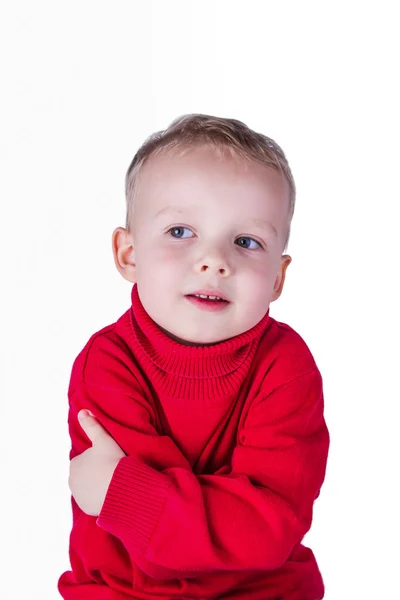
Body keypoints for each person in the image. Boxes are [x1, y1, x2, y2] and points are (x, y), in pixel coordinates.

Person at [58, 114, 330, 600]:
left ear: (277, 279)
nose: (213, 260)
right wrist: (222, 522)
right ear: (128, 254)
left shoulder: (286, 368)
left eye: (247, 242)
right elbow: (156, 561)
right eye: (181, 231)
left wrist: (126, 494)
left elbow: (269, 533)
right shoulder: (107, 364)